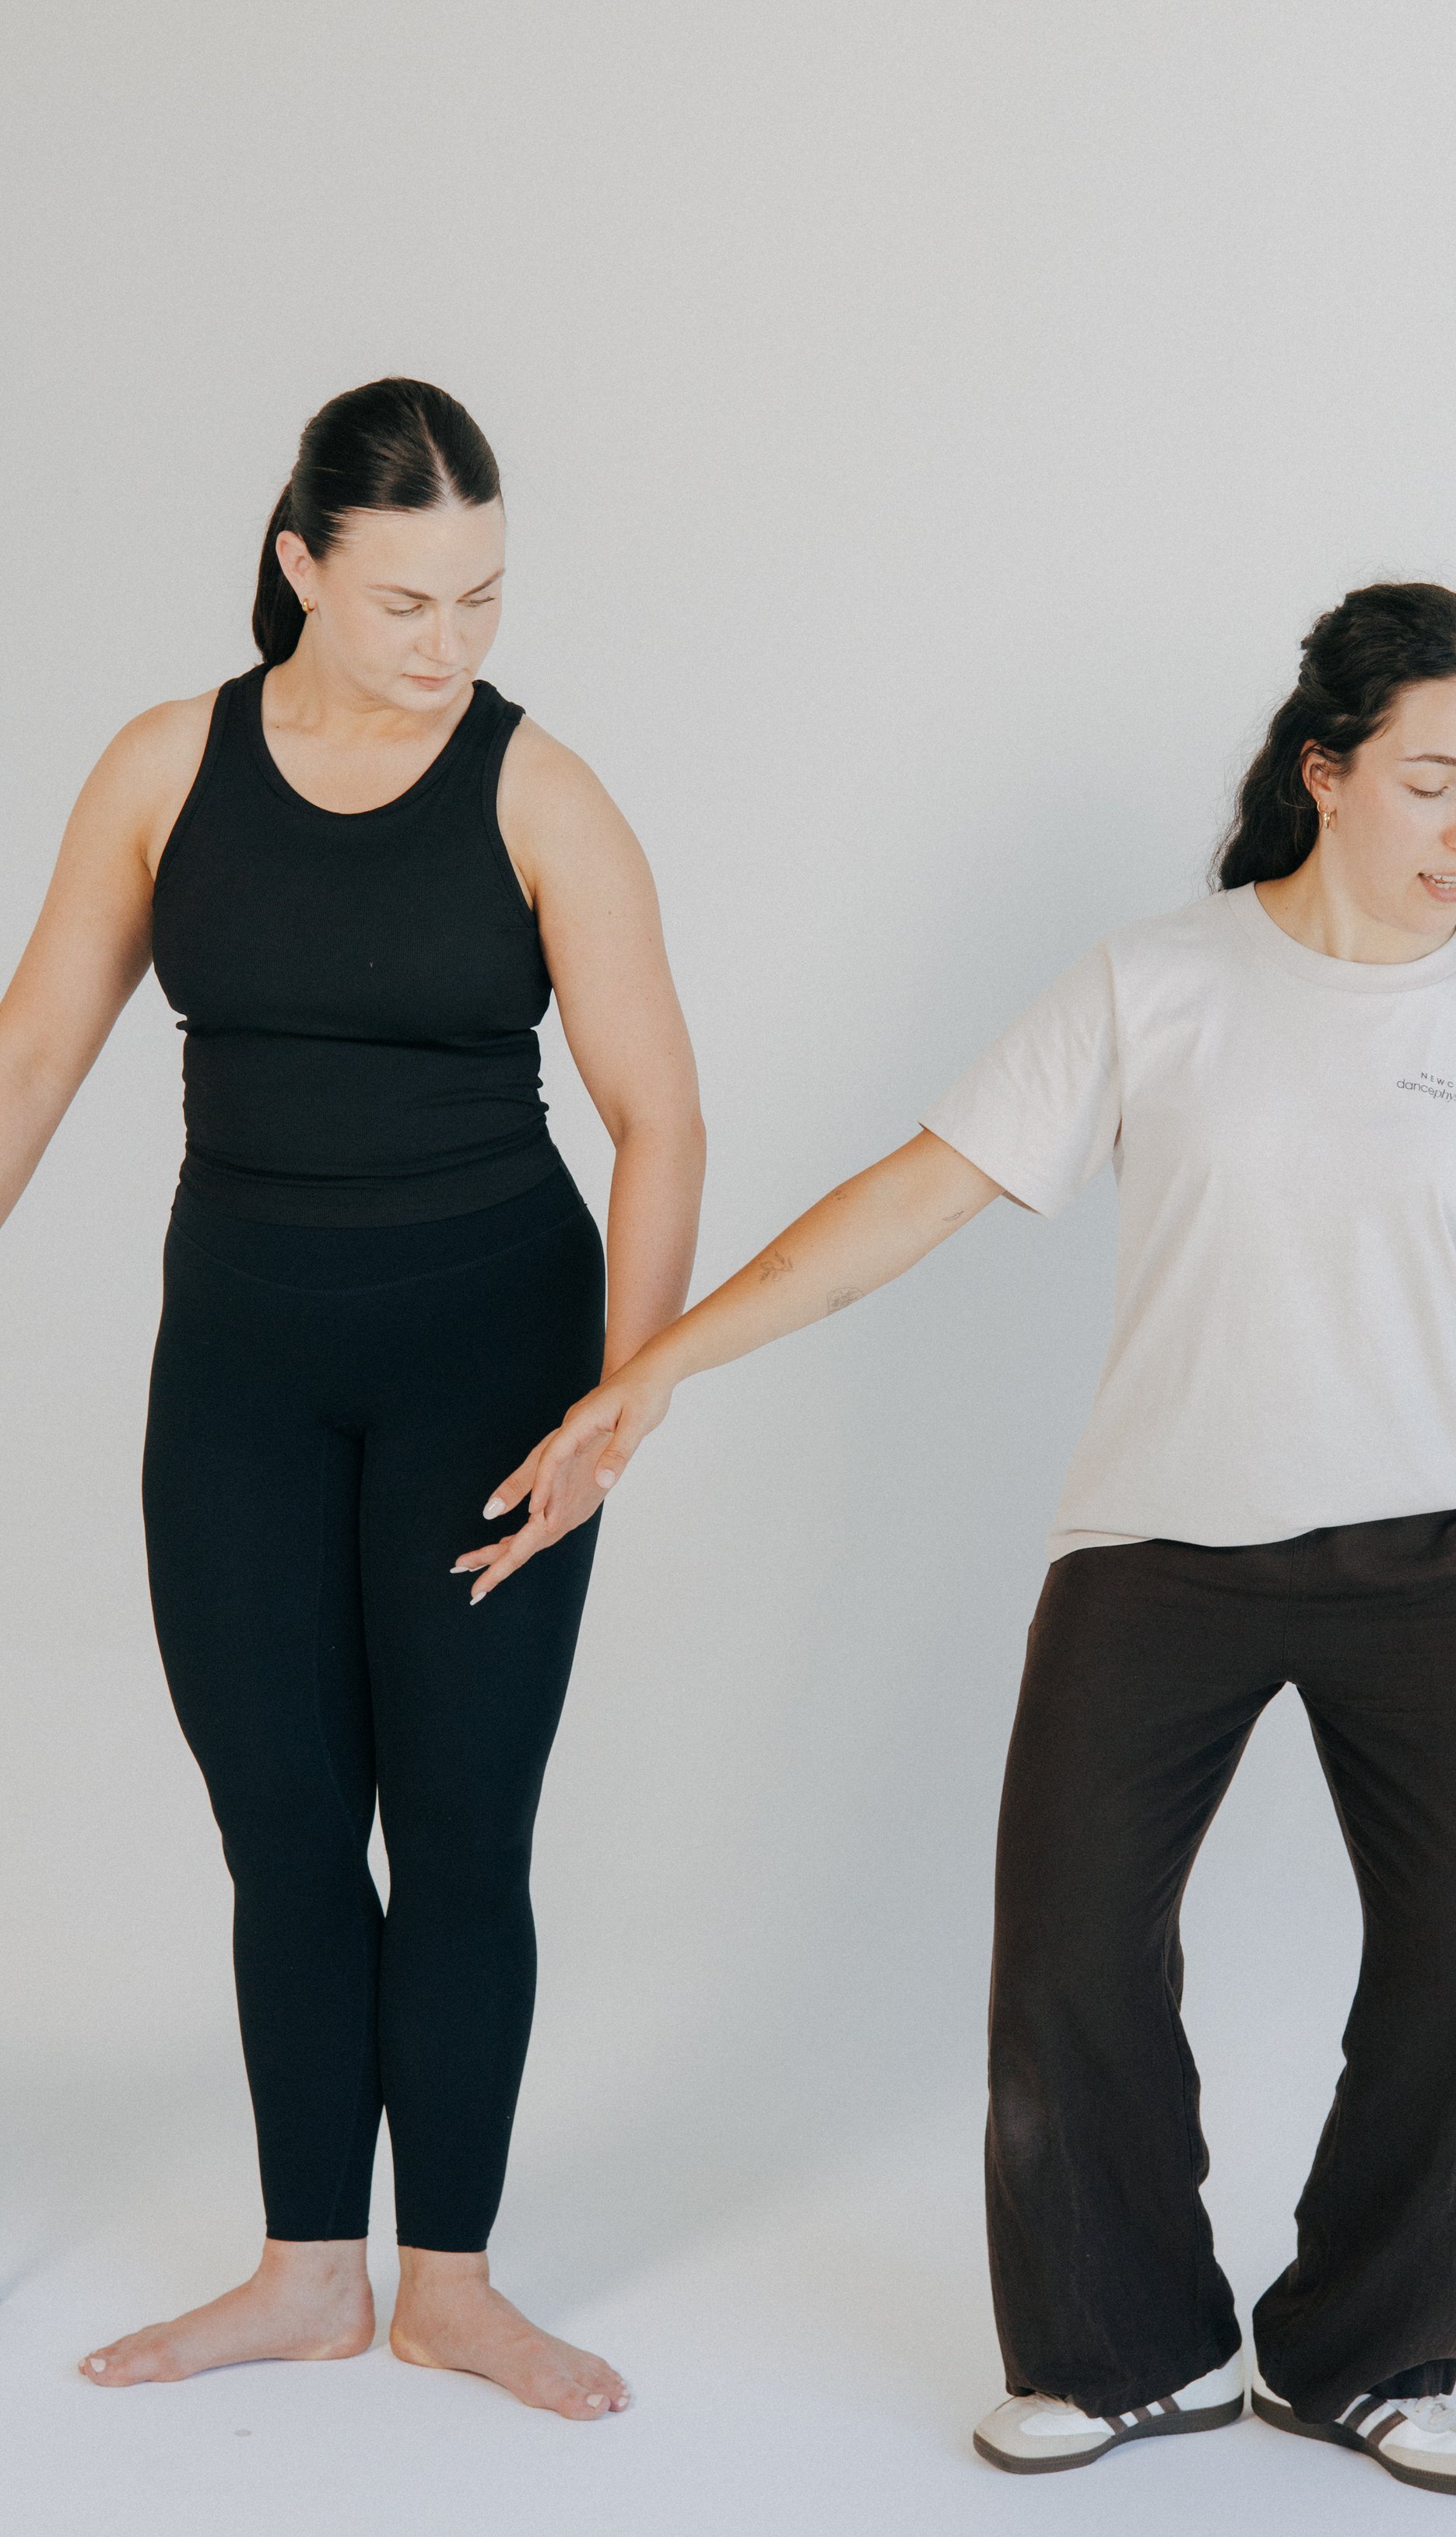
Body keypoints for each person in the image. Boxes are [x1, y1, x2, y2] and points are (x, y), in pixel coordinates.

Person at [459, 581, 1456, 2486]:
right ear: (1325, 771)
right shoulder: (1157, 984)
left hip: (1434, 1562)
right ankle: (1123, 2350)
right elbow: (909, 1200)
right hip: (1154, 1549)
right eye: (1431, 780)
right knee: (1069, 1955)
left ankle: (1362, 2353)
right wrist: (655, 1374)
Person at [0, 378, 703, 2419]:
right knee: (285, 1827)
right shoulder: (164, 768)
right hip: (242, 1372)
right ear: (300, 565)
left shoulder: (540, 793)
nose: (448, 641)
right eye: (406, 599)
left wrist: (623, 1395)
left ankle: (452, 2284)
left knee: (463, 1832)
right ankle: (310, 2271)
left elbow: (660, 1118)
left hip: (495, 1368)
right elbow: (33, 1051)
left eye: (481, 597)